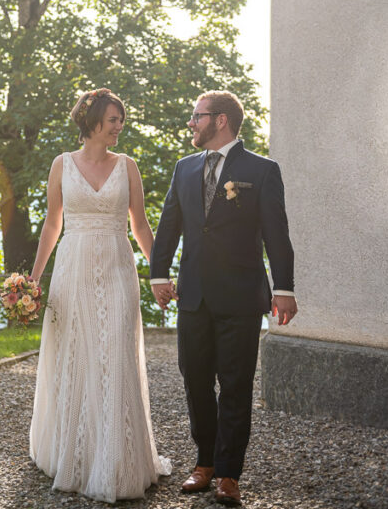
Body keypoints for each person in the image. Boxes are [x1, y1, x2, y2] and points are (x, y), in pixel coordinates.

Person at [150, 90, 296, 507]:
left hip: (241, 298)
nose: (191, 122)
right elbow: (169, 225)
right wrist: (159, 275)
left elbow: (277, 234)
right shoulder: (184, 167)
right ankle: (205, 462)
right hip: (193, 296)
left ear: (220, 120)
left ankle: (229, 474)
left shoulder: (262, 170)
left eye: (197, 116)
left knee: (235, 385)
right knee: (195, 379)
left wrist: (284, 288)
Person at [29, 88, 172, 503]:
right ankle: (75, 456)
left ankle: (117, 462)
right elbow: (52, 224)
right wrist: (34, 279)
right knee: (76, 355)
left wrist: (159, 273)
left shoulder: (128, 166)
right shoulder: (61, 164)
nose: (119, 127)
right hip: (72, 270)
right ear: (91, 122)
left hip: (117, 268)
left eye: (120, 121)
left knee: (115, 353)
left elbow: (140, 225)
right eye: (113, 120)